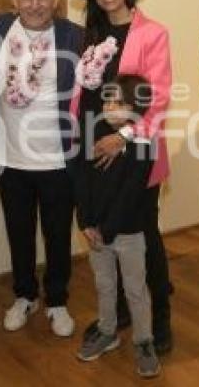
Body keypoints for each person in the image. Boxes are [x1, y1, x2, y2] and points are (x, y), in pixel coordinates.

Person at [69, 0, 174, 354]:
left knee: (143, 235)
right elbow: (84, 96)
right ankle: (120, 313)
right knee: (102, 233)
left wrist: (125, 136)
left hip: (134, 151)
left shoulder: (152, 34)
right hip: (96, 148)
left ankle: (160, 318)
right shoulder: (91, 36)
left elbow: (159, 98)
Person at [0, 0, 83, 337]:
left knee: (58, 236)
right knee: (19, 234)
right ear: (14, 0)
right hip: (11, 159)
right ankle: (25, 295)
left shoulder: (74, 36)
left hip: (58, 159)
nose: (35, 4)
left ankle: (57, 300)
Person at [75, 74, 161, 378]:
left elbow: (132, 192)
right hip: (95, 231)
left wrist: (107, 229)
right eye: (107, 100)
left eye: (119, 102)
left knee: (135, 289)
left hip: (127, 232)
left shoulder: (143, 142)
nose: (110, 107)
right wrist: (85, 220)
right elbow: (82, 179)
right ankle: (107, 330)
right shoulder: (94, 131)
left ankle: (143, 341)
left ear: (137, 108)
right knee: (104, 284)